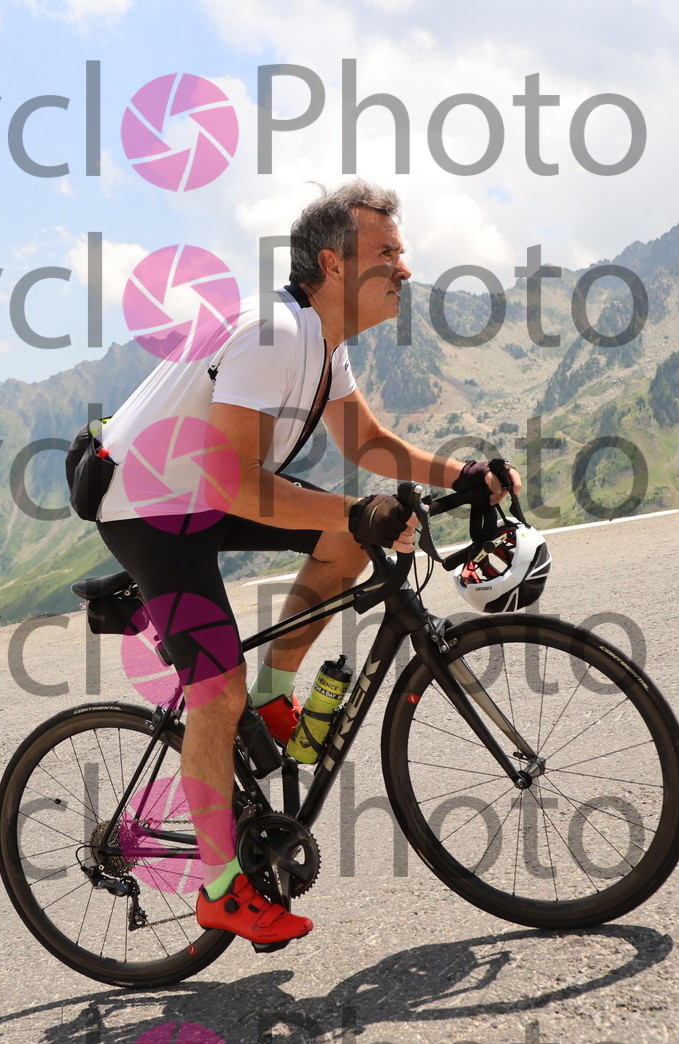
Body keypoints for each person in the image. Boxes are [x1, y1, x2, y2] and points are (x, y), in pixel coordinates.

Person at [89, 179, 518, 947]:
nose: (406, 268)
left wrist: (462, 475)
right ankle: (220, 888)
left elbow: (368, 442)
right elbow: (234, 481)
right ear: (334, 263)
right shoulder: (275, 333)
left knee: (351, 538)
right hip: (145, 504)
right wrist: (357, 509)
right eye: (388, 251)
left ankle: (274, 694)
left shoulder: (323, 342)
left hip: (200, 492)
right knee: (215, 692)